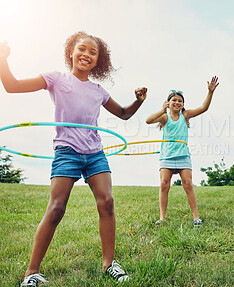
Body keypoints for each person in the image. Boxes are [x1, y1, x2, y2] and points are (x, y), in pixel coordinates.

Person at [0, 31, 147, 286]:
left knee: (107, 202)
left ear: (98, 61)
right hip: (67, 150)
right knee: (56, 208)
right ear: (71, 52)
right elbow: (12, 86)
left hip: (94, 152)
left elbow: (123, 114)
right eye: (82, 49)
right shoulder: (55, 79)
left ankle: (109, 264)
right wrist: (2, 58)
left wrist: (138, 101)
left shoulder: (98, 91)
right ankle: (31, 273)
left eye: (93, 52)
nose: (87, 54)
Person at [146, 76, 219, 227]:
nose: (177, 102)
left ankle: (196, 217)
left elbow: (203, 108)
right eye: (174, 100)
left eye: (180, 100)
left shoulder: (185, 116)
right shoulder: (164, 117)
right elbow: (148, 120)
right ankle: (162, 218)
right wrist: (161, 110)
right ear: (169, 103)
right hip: (167, 156)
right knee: (164, 184)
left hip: (183, 155)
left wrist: (210, 92)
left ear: (183, 104)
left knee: (188, 184)